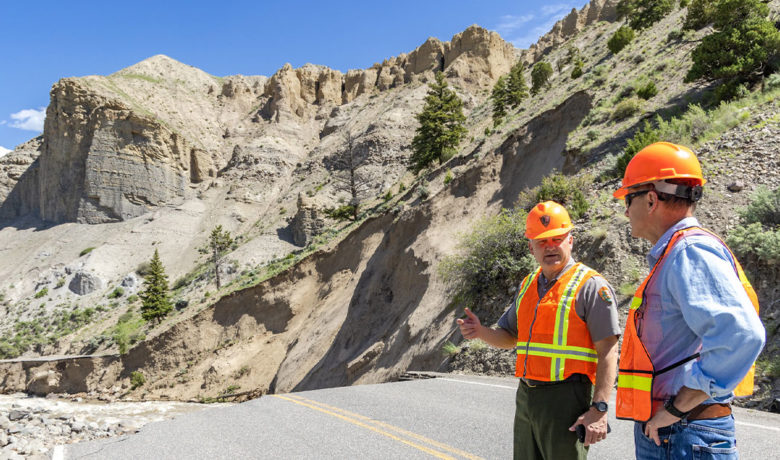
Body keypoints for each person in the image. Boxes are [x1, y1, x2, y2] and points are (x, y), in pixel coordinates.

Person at [613, 141, 765, 459]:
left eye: (629, 198)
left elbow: (742, 336)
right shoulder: (680, 252)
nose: (626, 211)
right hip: (679, 432)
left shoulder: (689, 251)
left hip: (683, 432)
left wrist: (676, 408)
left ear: (651, 199)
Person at [457, 201, 620, 460]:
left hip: (567, 399)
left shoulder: (591, 286)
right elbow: (510, 337)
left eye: (557, 238)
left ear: (570, 241)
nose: (550, 246)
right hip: (527, 396)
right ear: (531, 247)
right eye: (542, 241)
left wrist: (599, 409)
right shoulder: (528, 285)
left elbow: (608, 350)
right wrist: (480, 331)